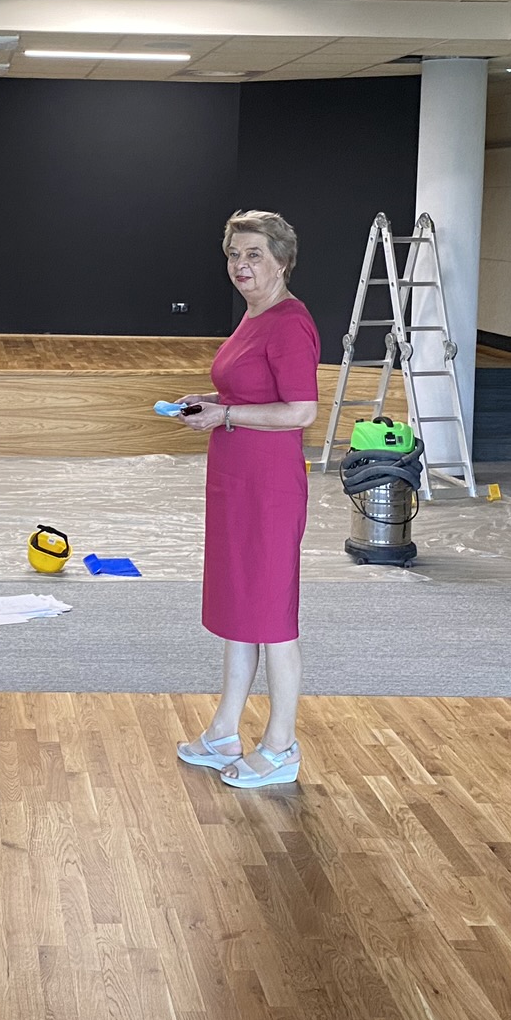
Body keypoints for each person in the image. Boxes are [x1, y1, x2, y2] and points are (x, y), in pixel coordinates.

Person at [173, 211, 321, 789]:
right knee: (240, 611)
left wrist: (226, 414)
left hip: (269, 488)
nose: (241, 265)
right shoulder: (254, 316)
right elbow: (248, 390)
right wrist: (210, 402)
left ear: (282, 260)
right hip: (235, 482)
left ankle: (281, 746)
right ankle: (224, 733)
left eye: (254, 254)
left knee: (272, 618)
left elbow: (301, 411)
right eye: (234, 254)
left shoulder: (289, 322)